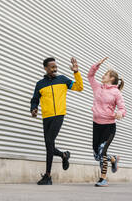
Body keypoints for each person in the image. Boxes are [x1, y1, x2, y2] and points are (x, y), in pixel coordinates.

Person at [30, 57, 84, 185]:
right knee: (49, 145)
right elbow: (35, 99)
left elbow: (79, 87)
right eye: (52, 67)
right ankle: (64, 155)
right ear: (45, 68)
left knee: (49, 142)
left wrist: (76, 72)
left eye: (55, 66)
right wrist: (33, 109)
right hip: (46, 117)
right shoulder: (40, 84)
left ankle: (48, 176)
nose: (55, 69)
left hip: (59, 115)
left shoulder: (63, 80)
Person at [88, 57, 126, 187]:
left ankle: (103, 179)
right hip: (96, 125)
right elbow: (90, 76)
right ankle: (114, 159)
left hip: (109, 127)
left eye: (105, 74)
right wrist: (96, 65)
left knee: (102, 152)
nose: (102, 76)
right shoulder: (97, 87)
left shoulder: (116, 93)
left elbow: (122, 108)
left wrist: (120, 114)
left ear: (111, 79)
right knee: (97, 155)